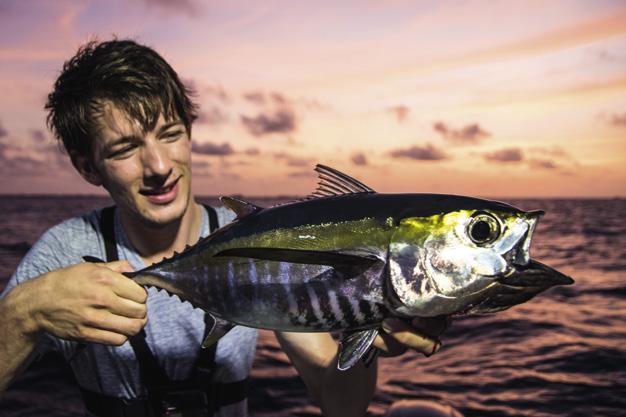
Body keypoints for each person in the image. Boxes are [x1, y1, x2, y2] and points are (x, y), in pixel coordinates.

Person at [0, 39, 446, 417]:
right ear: (87, 167)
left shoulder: (259, 243)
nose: (158, 166)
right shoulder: (62, 253)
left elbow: (337, 403)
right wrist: (25, 315)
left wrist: (365, 335)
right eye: (125, 149)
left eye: (170, 134)